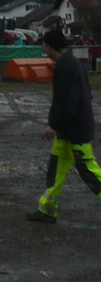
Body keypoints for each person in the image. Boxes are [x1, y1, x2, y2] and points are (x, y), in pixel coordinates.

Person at [27, 28, 101, 224]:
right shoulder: (73, 63)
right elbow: (83, 95)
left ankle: (47, 210)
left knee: (89, 172)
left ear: (48, 46)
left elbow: (67, 102)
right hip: (68, 132)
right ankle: (47, 209)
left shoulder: (64, 68)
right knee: (56, 171)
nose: (44, 50)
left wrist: (53, 125)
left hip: (75, 132)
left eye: (44, 46)